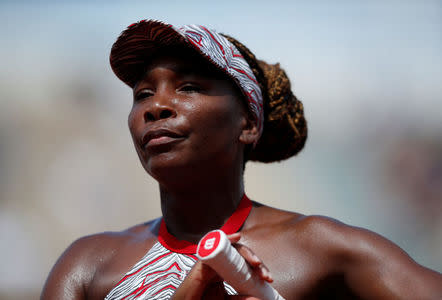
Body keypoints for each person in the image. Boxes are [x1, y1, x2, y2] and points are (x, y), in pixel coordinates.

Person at [41, 20, 442, 300]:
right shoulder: (88, 264)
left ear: (248, 124)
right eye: (142, 94)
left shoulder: (321, 249)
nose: (156, 106)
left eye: (189, 87)